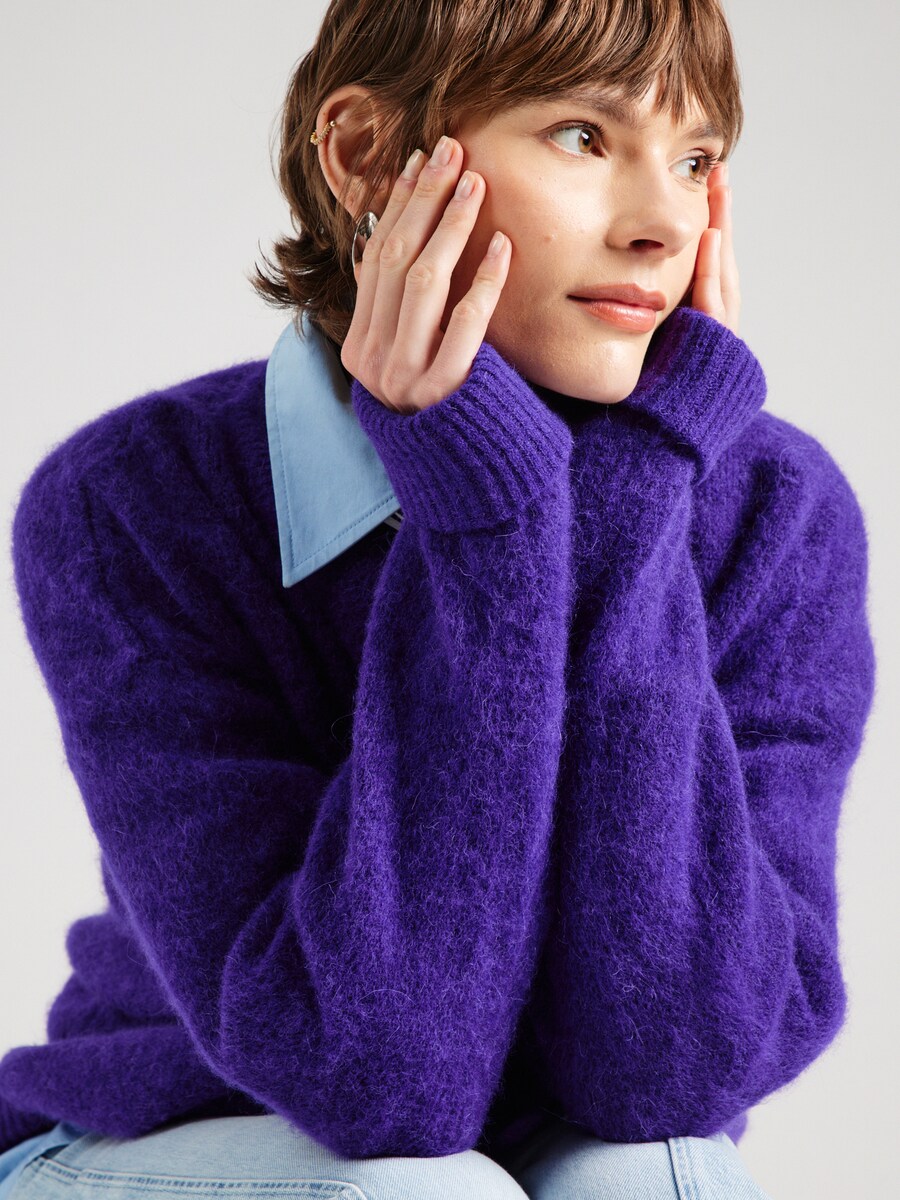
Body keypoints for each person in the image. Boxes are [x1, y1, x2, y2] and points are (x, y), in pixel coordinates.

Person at [0, 0, 876, 1197]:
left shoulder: (774, 506)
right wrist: (486, 518)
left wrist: (632, 494)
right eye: (582, 136)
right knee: (423, 1189)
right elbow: (377, 1079)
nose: (665, 223)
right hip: (168, 1133)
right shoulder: (135, 500)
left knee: (655, 1176)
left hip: (539, 1148)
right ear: (365, 153)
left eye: (696, 159)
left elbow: (678, 1073)